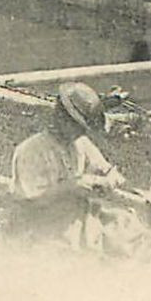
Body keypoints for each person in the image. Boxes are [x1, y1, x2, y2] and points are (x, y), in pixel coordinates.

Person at [10, 82, 125, 245]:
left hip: (75, 225)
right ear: (61, 118)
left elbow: (107, 170)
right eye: (78, 126)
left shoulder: (80, 143)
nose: (82, 132)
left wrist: (109, 178)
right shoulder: (32, 150)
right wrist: (71, 187)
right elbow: (33, 201)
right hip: (42, 230)